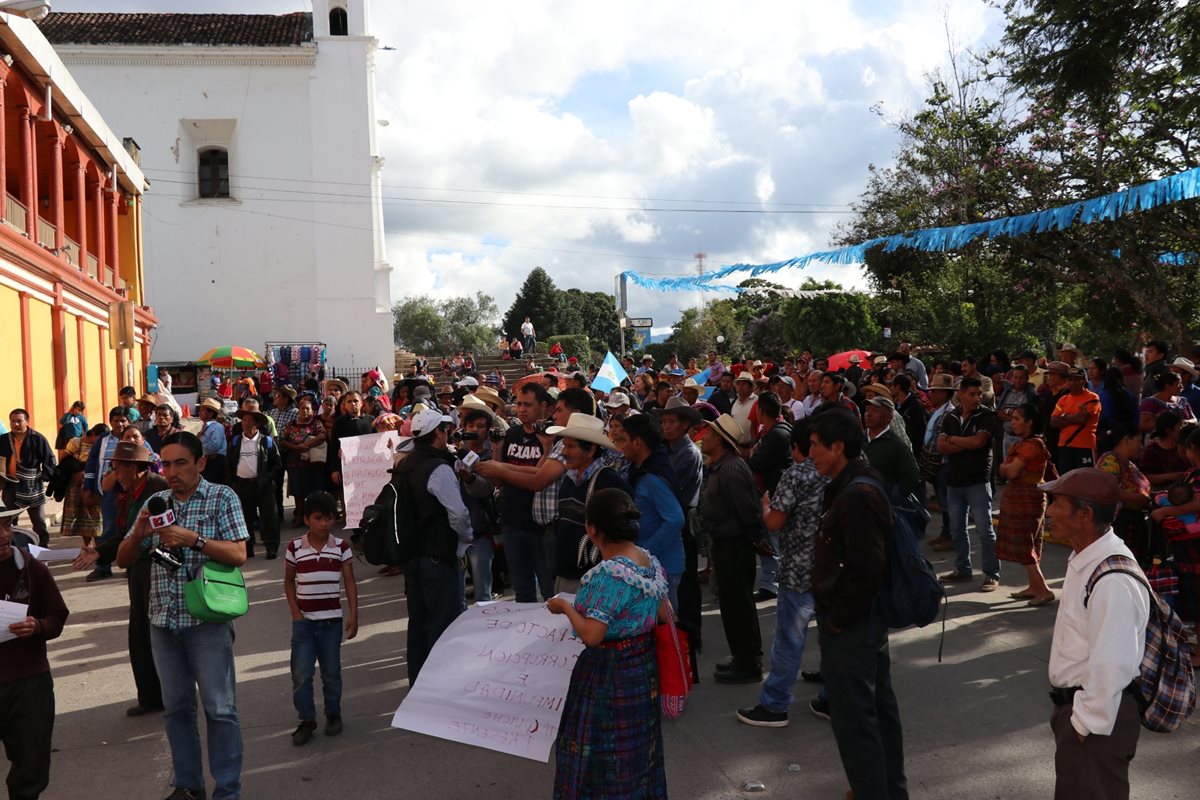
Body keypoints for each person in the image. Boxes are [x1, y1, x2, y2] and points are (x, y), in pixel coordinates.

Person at [116, 431, 249, 800]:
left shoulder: (223, 497)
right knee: (176, 710)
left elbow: (239, 554)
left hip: (207, 621)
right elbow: (124, 560)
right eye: (167, 463)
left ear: (200, 463)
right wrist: (139, 533)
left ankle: (227, 790)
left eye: (181, 463)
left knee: (219, 709)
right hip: (162, 620)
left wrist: (194, 540)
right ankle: (189, 787)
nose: (172, 471)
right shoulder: (155, 501)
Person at [807, 406, 908, 800]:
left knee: (857, 720)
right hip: (857, 621)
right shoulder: (851, 481)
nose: (810, 452)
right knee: (876, 713)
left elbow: (866, 567)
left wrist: (836, 620)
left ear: (838, 446)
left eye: (815, 445)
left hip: (853, 624)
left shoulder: (857, 491)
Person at [547, 488, 669, 800]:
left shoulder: (609, 576)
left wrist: (565, 608)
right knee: (638, 751)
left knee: (601, 753)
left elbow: (591, 635)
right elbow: (664, 615)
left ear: (592, 529)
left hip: (608, 674)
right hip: (642, 669)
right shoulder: (650, 564)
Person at [1041, 468, 1149, 800]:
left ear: (1085, 514)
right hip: (1082, 715)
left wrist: (1083, 724)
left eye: (1056, 503)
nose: (1048, 512)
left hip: (1096, 723)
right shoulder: (1088, 558)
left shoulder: (1112, 579)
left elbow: (1113, 664)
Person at [736, 419, 827, 727]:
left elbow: (774, 522)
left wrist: (764, 507)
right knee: (832, 632)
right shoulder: (840, 471)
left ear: (796, 448)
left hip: (798, 568)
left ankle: (775, 705)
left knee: (789, 640)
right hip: (831, 566)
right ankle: (831, 696)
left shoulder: (797, 474)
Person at [74, 442, 169, 716]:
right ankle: (150, 697)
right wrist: (99, 552)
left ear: (135, 469)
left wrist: (107, 552)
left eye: (118, 469)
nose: (115, 476)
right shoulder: (128, 493)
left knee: (160, 635)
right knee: (139, 635)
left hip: (156, 568)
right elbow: (125, 534)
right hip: (136, 568)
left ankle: (169, 694)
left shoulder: (157, 489)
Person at [393, 408, 473, 682]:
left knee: (418, 623)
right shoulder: (438, 468)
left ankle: (418, 684)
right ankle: (440, 687)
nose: (448, 433)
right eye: (445, 429)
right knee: (443, 624)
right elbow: (459, 515)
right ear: (437, 433)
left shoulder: (406, 462)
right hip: (438, 558)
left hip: (414, 557)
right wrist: (466, 538)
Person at [0, 502, 70, 800]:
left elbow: (57, 617)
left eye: (6, 525)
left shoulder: (33, 568)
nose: (3, 535)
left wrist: (38, 626)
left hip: (30, 681)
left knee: (31, 764)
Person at [283, 490, 358, 747]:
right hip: (304, 623)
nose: (324, 523)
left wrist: (353, 614)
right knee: (301, 673)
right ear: (307, 519)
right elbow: (289, 581)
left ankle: (333, 713)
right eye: (318, 518)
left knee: (331, 673)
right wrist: (296, 613)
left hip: (331, 623)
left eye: (329, 518)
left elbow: (349, 581)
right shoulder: (294, 547)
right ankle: (306, 719)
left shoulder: (342, 547)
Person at [700, 414, 766, 684]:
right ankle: (741, 657)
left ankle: (749, 662)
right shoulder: (720, 466)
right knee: (730, 604)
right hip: (725, 544)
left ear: (720, 440)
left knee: (739, 604)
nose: (703, 436)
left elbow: (748, 512)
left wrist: (756, 541)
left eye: (708, 433)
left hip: (735, 546)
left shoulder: (732, 469)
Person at [546, 413, 632, 594]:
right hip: (566, 575)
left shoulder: (609, 482)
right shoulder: (569, 479)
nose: (563, 452)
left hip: (594, 580)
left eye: (570, 446)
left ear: (591, 450)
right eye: (564, 445)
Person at [939, 377, 1000, 591]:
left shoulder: (987, 415)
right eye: (972, 394)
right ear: (961, 394)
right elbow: (941, 446)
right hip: (954, 481)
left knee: (985, 530)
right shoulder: (951, 417)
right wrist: (965, 443)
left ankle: (991, 574)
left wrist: (953, 440)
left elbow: (979, 442)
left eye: (978, 394)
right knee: (957, 529)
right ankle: (962, 569)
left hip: (977, 481)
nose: (976, 398)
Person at [618, 414, 685, 608]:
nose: (620, 445)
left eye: (624, 440)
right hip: (654, 564)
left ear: (638, 442)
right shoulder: (641, 471)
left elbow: (675, 520)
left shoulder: (651, 478)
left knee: (664, 630)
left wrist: (645, 553)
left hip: (662, 566)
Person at [997, 404, 1055, 605]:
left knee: (1025, 543)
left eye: (1017, 419)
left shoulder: (1032, 445)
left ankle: (1043, 590)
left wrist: (1006, 468)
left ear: (1029, 422)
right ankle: (1034, 587)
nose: (1012, 421)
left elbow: (1010, 471)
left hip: (1027, 497)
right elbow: (1006, 468)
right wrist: (1007, 467)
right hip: (1022, 496)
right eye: (1012, 418)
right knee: (1029, 542)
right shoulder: (1026, 443)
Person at [748, 392, 793, 601]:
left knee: (773, 541)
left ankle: (772, 584)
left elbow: (757, 462)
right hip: (772, 493)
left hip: (775, 495)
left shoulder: (778, 434)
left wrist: (754, 453)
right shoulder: (774, 432)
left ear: (759, 412)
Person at [81, 407, 132, 581]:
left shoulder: (136, 439)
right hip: (108, 493)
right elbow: (91, 466)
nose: (120, 424)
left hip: (133, 493)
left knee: (132, 528)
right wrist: (88, 488)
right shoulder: (102, 442)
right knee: (108, 530)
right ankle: (103, 567)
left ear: (129, 421)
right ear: (110, 421)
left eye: (123, 420)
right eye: (116, 420)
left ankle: (131, 565)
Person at [227, 409, 283, 559]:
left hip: (263, 486)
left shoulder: (267, 441)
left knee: (269, 517)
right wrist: (233, 482)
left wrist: (266, 478)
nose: (245, 424)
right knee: (245, 518)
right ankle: (248, 548)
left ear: (257, 424)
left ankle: (271, 547)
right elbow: (229, 463)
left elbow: (277, 465)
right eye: (243, 420)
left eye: (249, 421)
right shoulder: (235, 441)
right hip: (242, 485)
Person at [1096, 425, 1152, 564]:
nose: (1141, 446)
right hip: (1120, 523)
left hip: (1134, 522)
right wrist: (1135, 498)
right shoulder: (1110, 459)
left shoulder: (1130, 464)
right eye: (1139, 441)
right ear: (1126, 440)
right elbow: (1107, 488)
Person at [0, 410, 56, 549]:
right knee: (9, 521)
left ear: (27, 421)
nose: (16, 424)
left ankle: (43, 548)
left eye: (19, 421)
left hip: (32, 486)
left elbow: (49, 460)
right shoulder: (3, 440)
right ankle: (14, 548)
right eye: (13, 421)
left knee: (39, 521)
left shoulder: (37, 438)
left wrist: (43, 477)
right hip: (10, 486)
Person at [279, 395, 327, 527]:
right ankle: (299, 516)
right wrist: (295, 447)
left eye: (307, 408)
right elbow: (283, 440)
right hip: (294, 461)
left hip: (311, 462)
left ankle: (312, 517)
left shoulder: (315, 423)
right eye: (302, 408)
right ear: (298, 410)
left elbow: (323, 436)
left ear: (312, 411)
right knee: (298, 490)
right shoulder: (291, 424)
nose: (305, 411)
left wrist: (306, 444)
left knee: (312, 489)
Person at [862, 395, 922, 498]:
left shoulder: (896, 445)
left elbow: (912, 476)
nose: (868, 414)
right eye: (867, 410)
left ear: (889, 417)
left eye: (875, 411)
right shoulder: (857, 439)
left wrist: (892, 497)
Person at [59, 424, 105, 548]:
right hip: (77, 484)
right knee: (81, 517)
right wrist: (76, 471)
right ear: (94, 434)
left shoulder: (103, 445)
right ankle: (87, 546)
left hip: (95, 484)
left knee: (96, 517)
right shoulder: (75, 443)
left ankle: (98, 548)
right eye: (100, 437)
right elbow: (63, 460)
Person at [1051, 367, 1101, 473]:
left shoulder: (1092, 398)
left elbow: (1082, 418)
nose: (1073, 383)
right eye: (1070, 379)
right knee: (1066, 480)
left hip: (1085, 446)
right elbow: (1053, 422)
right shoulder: (1063, 399)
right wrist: (1074, 417)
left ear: (1084, 381)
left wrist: (1064, 416)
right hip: (1065, 445)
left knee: (1086, 478)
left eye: (1076, 379)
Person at [997, 365, 1039, 460]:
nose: (1018, 381)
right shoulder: (1007, 393)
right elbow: (999, 413)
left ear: (1027, 378)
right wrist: (1016, 417)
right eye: (1015, 377)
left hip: (1023, 439)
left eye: (1021, 378)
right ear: (1011, 378)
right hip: (1007, 436)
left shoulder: (1031, 395)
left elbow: (1029, 417)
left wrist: (1008, 413)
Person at [1096, 366, 1138, 455]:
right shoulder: (1129, 394)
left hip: (1109, 435)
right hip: (1128, 434)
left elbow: (1105, 416)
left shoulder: (1102, 395)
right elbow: (1136, 416)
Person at [195, 398, 228, 486]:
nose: (200, 412)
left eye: (203, 410)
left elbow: (214, 446)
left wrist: (199, 448)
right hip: (208, 462)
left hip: (215, 463)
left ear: (210, 414)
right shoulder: (205, 427)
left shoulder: (217, 427)